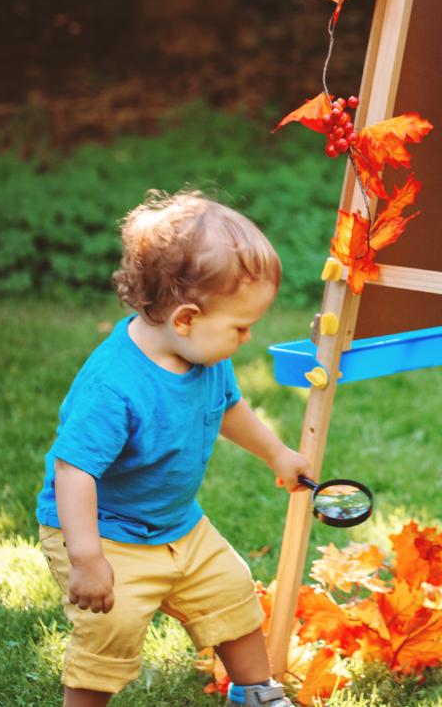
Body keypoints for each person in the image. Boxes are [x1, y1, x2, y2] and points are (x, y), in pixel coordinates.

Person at [35, 191, 311, 707]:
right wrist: (88, 558)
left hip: (177, 523)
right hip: (104, 530)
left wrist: (276, 453)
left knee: (232, 592)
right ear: (184, 318)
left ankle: (258, 693)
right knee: (109, 628)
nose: (247, 338)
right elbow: (74, 472)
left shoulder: (205, 355)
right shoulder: (113, 386)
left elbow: (228, 408)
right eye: (241, 326)